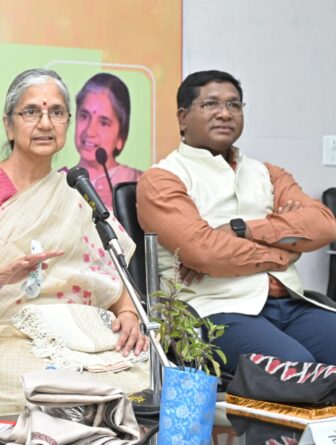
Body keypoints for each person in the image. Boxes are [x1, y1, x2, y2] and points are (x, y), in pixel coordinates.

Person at [0, 68, 149, 417]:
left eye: (57, 112)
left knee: (144, 381)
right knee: (56, 393)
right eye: (31, 112)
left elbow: (110, 275)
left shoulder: (75, 192)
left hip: (74, 335)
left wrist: (128, 313)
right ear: (9, 125)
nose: (45, 123)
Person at [137, 70, 336, 375]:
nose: (224, 114)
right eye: (210, 104)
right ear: (182, 117)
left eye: (234, 105)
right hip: (214, 311)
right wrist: (285, 252)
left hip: (290, 303)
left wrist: (241, 229)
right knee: (301, 370)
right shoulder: (163, 179)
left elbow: (323, 224)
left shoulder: (268, 173)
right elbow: (205, 252)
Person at [62, 73, 142, 208]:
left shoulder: (138, 183)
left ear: (121, 136)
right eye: (84, 116)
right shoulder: (58, 182)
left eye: (104, 123)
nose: (89, 132)